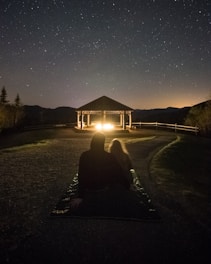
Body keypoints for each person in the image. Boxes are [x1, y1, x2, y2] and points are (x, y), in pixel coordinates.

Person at [70, 132, 130, 209]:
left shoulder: (84, 156)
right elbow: (118, 172)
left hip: (89, 187)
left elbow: (81, 175)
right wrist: (126, 185)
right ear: (103, 143)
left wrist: (80, 195)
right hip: (104, 187)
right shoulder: (109, 157)